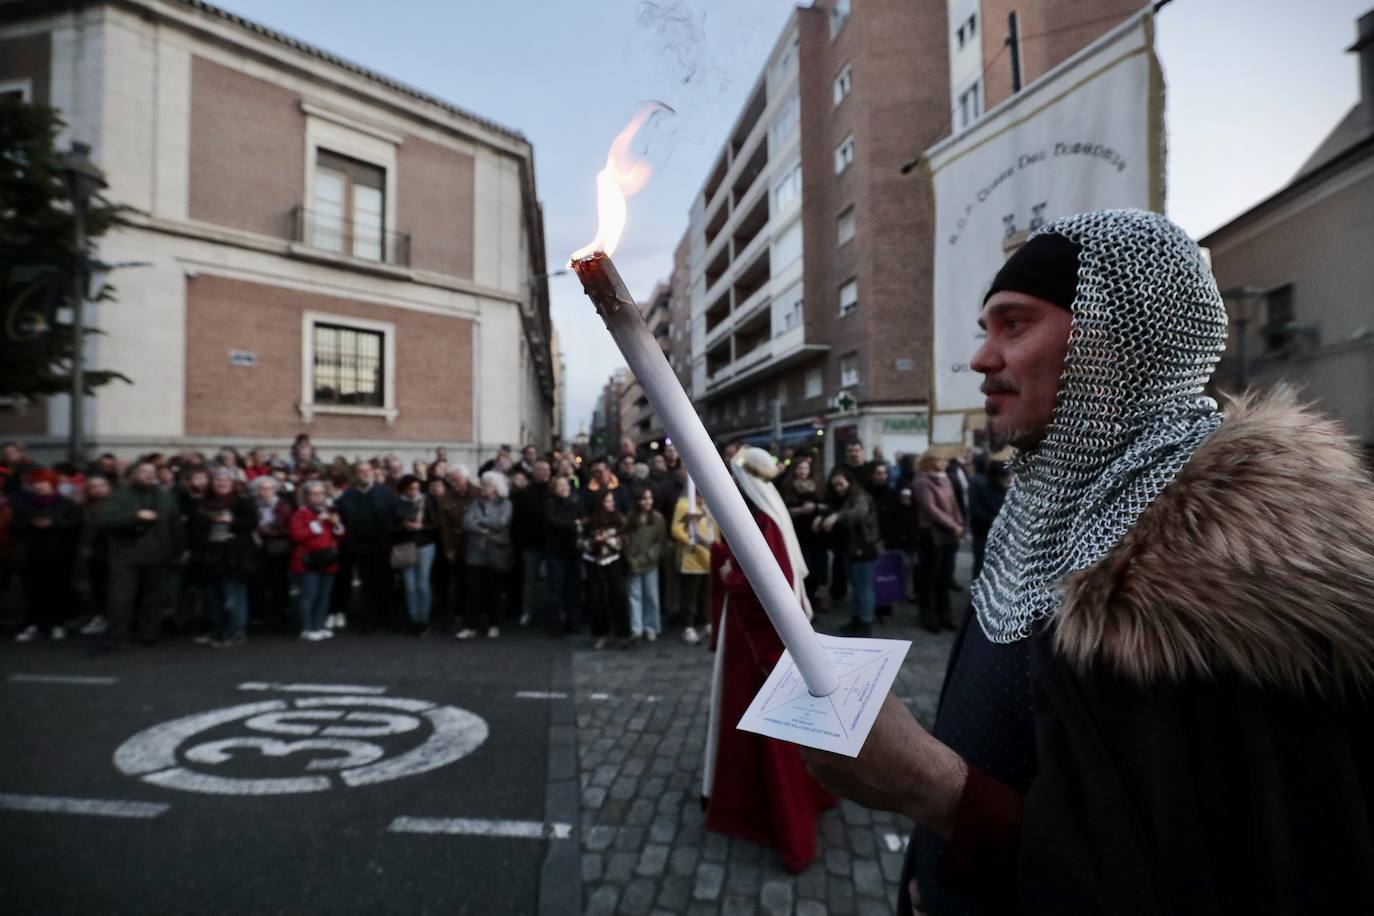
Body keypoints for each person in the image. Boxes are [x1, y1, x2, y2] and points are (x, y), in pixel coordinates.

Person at [800, 209, 1374, 914]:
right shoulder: (1032, 512)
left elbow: (1214, 882)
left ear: (1120, 341)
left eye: (1014, 325)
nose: (982, 358)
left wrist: (937, 792)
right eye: (986, 329)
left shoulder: (1239, 577)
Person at [703, 447, 834, 872]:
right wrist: (722, 555)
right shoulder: (768, 516)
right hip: (750, 634)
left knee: (759, 718)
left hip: (755, 640)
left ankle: (766, 812)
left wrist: (728, 576)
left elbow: (767, 581)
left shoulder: (763, 521)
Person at [97, 461, 183, 649]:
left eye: (152, 472)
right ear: (133, 474)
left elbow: (175, 525)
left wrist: (178, 551)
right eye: (143, 471)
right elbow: (106, 521)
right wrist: (134, 516)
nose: (148, 475)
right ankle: (116, 635)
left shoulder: (165, 497)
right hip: (126, 556)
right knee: (120, 599)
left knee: (154, 598)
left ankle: (149, 632)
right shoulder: (121, 496)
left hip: (159, 555)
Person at [187, 469, 257, 648]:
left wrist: (230, 522)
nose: (221, 483)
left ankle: (236, 631)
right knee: (214, 598)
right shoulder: (203, 503)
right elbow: (195, 527)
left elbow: (252, 522)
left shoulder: (243, 501)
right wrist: (210, 521)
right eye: (218, 479)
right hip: (210, 556)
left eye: (226, 480)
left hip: (235, 556)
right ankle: (219, 630)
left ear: (233, 483)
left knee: (234, 597)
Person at [11, 468, 80, 642]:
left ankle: (57, 623)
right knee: (33, 590)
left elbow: (74, 524)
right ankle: (36, 623)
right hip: (32, 553)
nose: (40, 486)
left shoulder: (65, 503)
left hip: (59, 553)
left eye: (43, 483)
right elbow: (15, 526)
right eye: (36, 484)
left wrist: (53, 524)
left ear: (52, 484)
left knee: (57, 589)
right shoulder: (25, 504)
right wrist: (32, 524)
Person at [817, 467, 880, 636]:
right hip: (851, 548)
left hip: (864, 547)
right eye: (835, 485)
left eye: (841, 484)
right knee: (857, 586)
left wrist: (836, 517)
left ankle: (865, 623)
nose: (838, 488)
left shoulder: (860, 496)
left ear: (849, 482)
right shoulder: (844, 497)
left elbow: (858, 513)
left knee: (864, 587)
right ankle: (857, 619)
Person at [335, 462, 398, 632]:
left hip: (383, 545)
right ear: (355, 474)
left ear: (372, 472)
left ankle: (388, 618)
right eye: (360, 471)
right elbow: (340, 520)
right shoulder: (346, 496)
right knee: (367, 584)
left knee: (385, 582)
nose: (364, 474)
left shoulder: (385, 493)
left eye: (367, 470)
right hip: (359, 546)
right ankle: (371, 618)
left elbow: (394, 517)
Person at [912, 453, 964, 632]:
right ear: (931, 461)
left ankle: (945, 614)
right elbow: (930, 508)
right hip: (931, 534)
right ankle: (928, 615)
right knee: (930, 576)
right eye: (941, 459)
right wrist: (953, 524)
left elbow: (953, 503)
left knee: (945, 576)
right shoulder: (922, 481)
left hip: (947, 533)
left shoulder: (945, 479)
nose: (945, 462)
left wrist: (958, 523)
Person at [457, 470, 512, 640]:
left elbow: (501, 522)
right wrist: (484, 529)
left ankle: (493, 624)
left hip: (495, 552)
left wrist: (479, 522)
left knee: (493, 590)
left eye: (486, 485)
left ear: (495, 487)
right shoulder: (476, 503)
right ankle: (470, 625)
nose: (483, 488)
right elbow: (466, 522)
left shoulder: (505, 503)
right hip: (475, 553)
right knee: (473, 590)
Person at [289, 480, 344, 640]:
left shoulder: (329, 511)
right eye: (314, 494)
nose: (319, 497)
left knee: (324, 595)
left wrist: (336, 524)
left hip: (328, 559)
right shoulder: (300, 513)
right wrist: (318, 522)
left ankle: (319, 625)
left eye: (321, 493)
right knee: (309, 594)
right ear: (306, 496)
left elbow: (340, 536)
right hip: (308, 561)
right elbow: (297, 535)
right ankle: (307, 627)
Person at [580, 490, 629, 650]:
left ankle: (622, 633)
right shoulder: (587, 522)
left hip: (613, 560)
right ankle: (600, 634)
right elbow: (580, 542)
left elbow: (625, 539)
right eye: (608, 501)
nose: (611, 504)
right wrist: (594, 542)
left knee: (619, 595)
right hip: (593, 561)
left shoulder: (619, 519)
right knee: (596, 599)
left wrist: (609, 541)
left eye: (612, 500)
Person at [670, 480, 717, 645]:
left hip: (709, 556)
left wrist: (716, 546)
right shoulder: (684, 504)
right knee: (690, 595)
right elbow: (676, 529)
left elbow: (714, 527)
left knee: (707, 594)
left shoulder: (708, 504)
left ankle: (708, 622)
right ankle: (688, 626)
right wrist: (691, 541)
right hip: (692, 558)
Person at [780, 456, 829, 610]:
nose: (803, 472)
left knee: (817, 566)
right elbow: (783, 509)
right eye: (799, 468)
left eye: (805, 468)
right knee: (803, 564)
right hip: (798, 533)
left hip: (817, 533)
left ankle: (814, 597)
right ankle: (802, 599)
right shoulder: (788, 487)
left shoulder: (818, 485)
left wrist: (816, 510)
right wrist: (801, 510)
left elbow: (827, 505)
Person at [393, 474, 439, 636]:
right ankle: (413, 619)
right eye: (410, 489)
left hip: (425, 545)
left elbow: (435, 524)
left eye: (416, 489)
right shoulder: (397, 503)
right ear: (404, 489)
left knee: (423, 584)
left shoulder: (427, 501)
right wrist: (405, 526)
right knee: (410, 586)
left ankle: (424, 620)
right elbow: (390, 526)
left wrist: (421, 527)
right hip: (405, 546)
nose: (413, 492)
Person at [248, 476, 293, 631]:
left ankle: (280, 614)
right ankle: (261, 615)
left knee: (279, 583)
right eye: (262, 489)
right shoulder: (253, 506)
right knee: (259, 583)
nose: (265, 492)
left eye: (268, 489)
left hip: (278, 549)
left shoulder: (283, 506)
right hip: (257, 549)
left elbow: (288, 527)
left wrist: (271, 531)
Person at [511, 459, 551, 628]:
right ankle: (528, 611)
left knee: (552, 581)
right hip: (530, 543)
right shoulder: (524, 493)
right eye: (541, 469)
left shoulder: (553, 491)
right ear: (533, 472)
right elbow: (517, 519)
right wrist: (520, 538)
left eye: (547, 469)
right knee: (529, 582)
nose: (545, 472)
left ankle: (550, 613)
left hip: (551, 544)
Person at [623, 486, 666, 642]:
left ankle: (651, 626)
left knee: (651, 595)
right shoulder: (630, 518)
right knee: (634, 595)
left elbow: (660, 542)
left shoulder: (657, 518)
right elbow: (625, 539)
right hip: (633, 562)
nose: (648, 502)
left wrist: (648, 556)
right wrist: (630, 557)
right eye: (644, 498)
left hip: (650, 562)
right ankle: (637, 628)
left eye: (650, 498)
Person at [437, 466, 476, 633]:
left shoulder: (478, 493)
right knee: (457, 584)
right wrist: (448, 549)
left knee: (475, 582)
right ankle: (458, 616)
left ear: (466, 479)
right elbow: (444, 526)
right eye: (452, 480)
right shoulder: (445, 497)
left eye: (458, 479)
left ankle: (476, 615)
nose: (455, 483)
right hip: (456, 543)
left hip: (475, 543)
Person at [542, 475, 582, 636]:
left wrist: (571, 524)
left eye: (565, 485)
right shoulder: (549, 503)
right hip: (555, 552)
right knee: (556, 590)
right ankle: (556, 623)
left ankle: (572, 621)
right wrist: (572, 524)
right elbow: (553, 522)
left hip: (573, 551)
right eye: (559, 485)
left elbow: (580, 520)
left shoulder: (575, 502)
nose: (563, 488)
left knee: (573, 589)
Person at [74, 474, 113, 637]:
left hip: (108, 553)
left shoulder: (114, 505)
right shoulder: (83, 507)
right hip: (89, 554)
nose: (98, 490)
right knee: (95, 588)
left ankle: (106, 618)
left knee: (107, 588)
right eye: (94, 486)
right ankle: (98, 616)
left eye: (102, 485)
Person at [967, 457, 1010, 581]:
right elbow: (977, 512)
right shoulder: (983, 488)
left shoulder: (1005, 490)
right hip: (984, 534)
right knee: (981, 566)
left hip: (998, 535)